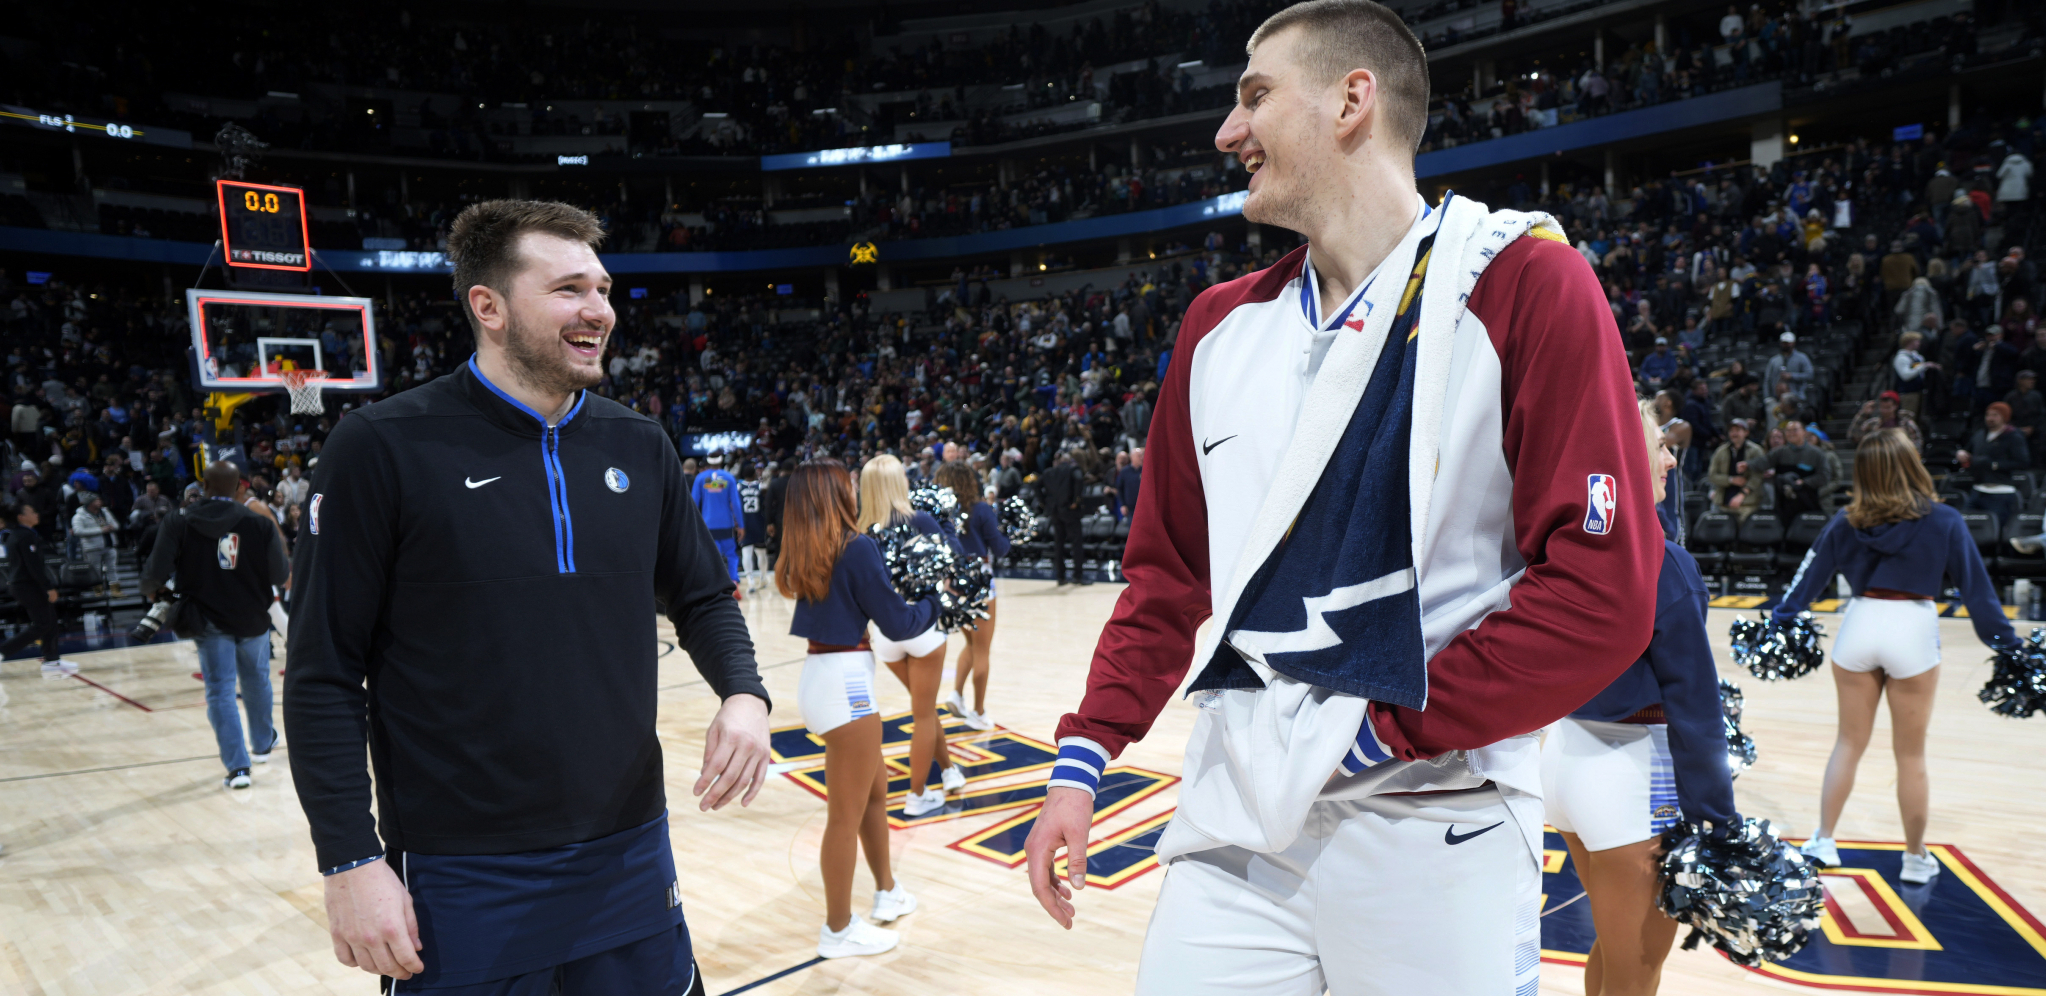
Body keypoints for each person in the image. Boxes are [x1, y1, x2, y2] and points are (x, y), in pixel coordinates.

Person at [1022, 4, 1661, 992]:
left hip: (1433, 817)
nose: (1227, 132)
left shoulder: (1526, 284)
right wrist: (1086, 754)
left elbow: (1600, 594)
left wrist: (1382, 733)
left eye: (1255, 96)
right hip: (1235, 820)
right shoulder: (1215, 328)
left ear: (1352, 100)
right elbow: (1168, 582)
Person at [285, 199, 770, 993]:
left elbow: (703, 596)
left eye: (603, 289)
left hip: (629, 854)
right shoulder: (381, 447)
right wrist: (348, 860)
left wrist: (744, 694)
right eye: (569, 289)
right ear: (490, 306)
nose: (599, 310)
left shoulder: (639, 444)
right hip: (460, 874)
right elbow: (322, 672)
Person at [1543, 400, 1738, 996]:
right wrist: (1719, 824)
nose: (1672, 460)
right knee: (1639, 968)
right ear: (1626, 459)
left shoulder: (1564, 547)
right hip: (1634, 774)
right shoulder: (1666, 565)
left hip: (1566, 761)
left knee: (1612, 947)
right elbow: (1696, 708)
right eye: (1659, 447)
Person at [1775, 429, 2015, 885]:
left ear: (1862, 473)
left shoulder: (1845, 521)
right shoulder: (1945, 520)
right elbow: (1978, 593)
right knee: (1910, 755)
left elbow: (1806, 582)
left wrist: (1781, 620)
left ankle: (1823, 840)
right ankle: (1915, 858)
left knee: (1848, 743)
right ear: (1912, 465)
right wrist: (2009, 647)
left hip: (1860, 626)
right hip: (1912, 630)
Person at [781, 459, 931, 958]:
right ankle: (838, 929)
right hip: (846, 688)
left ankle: (887, 890)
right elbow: (900, 624)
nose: (852, 487)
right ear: (833, 494)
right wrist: (936, 601)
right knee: (844, 816)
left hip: (821, 679)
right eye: (845, 482)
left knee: (874, 793)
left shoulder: (810, 547)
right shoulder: (855, 546)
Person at [141, 461, 289, 790]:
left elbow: (154, 572)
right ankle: (262, 744)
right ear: (238, 487)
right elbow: (280, 574)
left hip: (206, 616)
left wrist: (154, 590)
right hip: (252, 615)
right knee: (257, 681)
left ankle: (238, 769)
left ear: (204, 485)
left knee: (221, 691)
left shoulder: (179, 520)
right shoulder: (259, 523)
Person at [856, 453, 966, 817]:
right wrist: (948, 526)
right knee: (922, 714)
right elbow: (954, 561)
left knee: (925, 706)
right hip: (923, 625)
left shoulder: (859, 531)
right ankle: (917, 795)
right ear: (897, 483)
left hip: (886, 635)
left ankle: (948, 770)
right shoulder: (920, 520)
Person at [937, 460, 1009, 731]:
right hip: (979, 581)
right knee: (982, 650)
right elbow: (1000, 548)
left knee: (970, 643)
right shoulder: (981, 509)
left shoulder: (941, 512)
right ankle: (978, 712)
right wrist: (1009, 534)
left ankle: (956, 694)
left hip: (953, 583)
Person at [1, 502, 78, 676]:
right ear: (22, 517)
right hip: (27, 585)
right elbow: (33, 567)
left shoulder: (19, 534)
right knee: (42, 623)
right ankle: (3, 651)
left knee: (50, 620)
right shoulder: (24, 536)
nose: (36, 513)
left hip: (26, 585)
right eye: (32, 511)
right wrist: (48, 587)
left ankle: (52, 660)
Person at [694, 452, 744, 590]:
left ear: (708, 462)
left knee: (711, 557)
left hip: (708, 525)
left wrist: (694, 525)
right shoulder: (729, 478)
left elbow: (693, 503)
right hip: (726, 524)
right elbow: (735, 504)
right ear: (721, 461)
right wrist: (741, 525)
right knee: (731, 554)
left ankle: (714, 586)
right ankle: (734, 582)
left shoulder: (700, 478)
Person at [1039, 447, 1088, 585]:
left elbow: (1036, 485)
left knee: (1059, 544)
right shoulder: (1073, 469)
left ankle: (1061, 577)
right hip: (1069, 510)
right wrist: (1076, 500)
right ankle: (1078, 576)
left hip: (1055, 511)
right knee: (1076, 542)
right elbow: (1079, 479)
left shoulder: (1049, 472)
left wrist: (1044, 502)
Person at [1707, 419, 1769, 520]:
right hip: (1723, 502)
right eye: (1731, 431)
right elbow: (1712, 475)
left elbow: (1757, 476)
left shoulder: (1756, 450)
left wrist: (1742, 494)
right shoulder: (1720, 451)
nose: (1734, 433)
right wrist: (1731, 480)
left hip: (1748, 504)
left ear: (1746, 432)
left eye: (1738, 430)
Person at [1769, 420, 1830, 519]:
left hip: (1811, 500)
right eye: (1788, 431)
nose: (1809, 438)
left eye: (1812, 436)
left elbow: (1827, 477)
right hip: (1785, 503)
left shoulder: (1819, 454)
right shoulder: (1780, 453)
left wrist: (1804, 482)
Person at [69, 491, 119, 595]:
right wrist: (100, 530)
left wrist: (112, 527)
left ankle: (115, 590)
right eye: (97, 500)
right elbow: (78, 531)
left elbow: (116, 524)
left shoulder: (105, 512)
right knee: (95, 570)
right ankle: (98, 591)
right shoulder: (79, 516)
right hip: (92, 547)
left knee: (112, 568)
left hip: (109, 544)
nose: (100, 502)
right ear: (90, 503)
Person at [1848, 391, 1923, 452]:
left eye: (1888, 407)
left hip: (1900, 459)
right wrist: (1863, 414)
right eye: (1882, 407)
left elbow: (1917, 443)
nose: (1885, 411)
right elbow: (1854, 436)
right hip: (1879, 458)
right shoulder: (1873, 424)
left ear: (1895, 406)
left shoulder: (1906, 423)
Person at [1891, 331, 1938, 416]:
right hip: (1908, 392)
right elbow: (1906, 376)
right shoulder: (1901, 358)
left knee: (1920, 417)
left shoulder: (1917, 356)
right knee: (1908, 416)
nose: (1919, 343)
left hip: (1919, 390)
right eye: (1917, 341)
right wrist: (1923, 366)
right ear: (1909, 342)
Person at [737, 461, 767, 592]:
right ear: (754, 474)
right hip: (758, 523)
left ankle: (750, 580)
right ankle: (763, 577)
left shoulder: (739, 486)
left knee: (746, 553)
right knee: (761, 553)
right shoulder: (760, 486)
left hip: (744, 524)